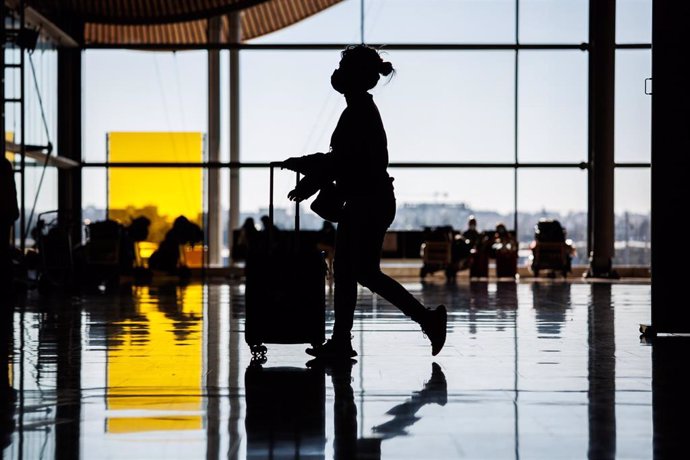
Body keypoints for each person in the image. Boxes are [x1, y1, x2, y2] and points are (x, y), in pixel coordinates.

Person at [281, 44, 447, 358]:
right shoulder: (359, 110)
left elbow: (342, 162)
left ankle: (415, 322)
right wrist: (307, 167)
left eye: (342, 68)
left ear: (353, 76)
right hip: (373, 201)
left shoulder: (358, 112)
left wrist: (308, 175)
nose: (337, 74)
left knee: (352, 271)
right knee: (360, 272)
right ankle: (421, 320)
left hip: (365, 203)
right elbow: (341, 160)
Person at [0, 156, 19, 290]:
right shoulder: (5, 166)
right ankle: (7, 283)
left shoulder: (4, 166)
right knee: (4, 251)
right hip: (6, 215)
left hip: (4, 214)